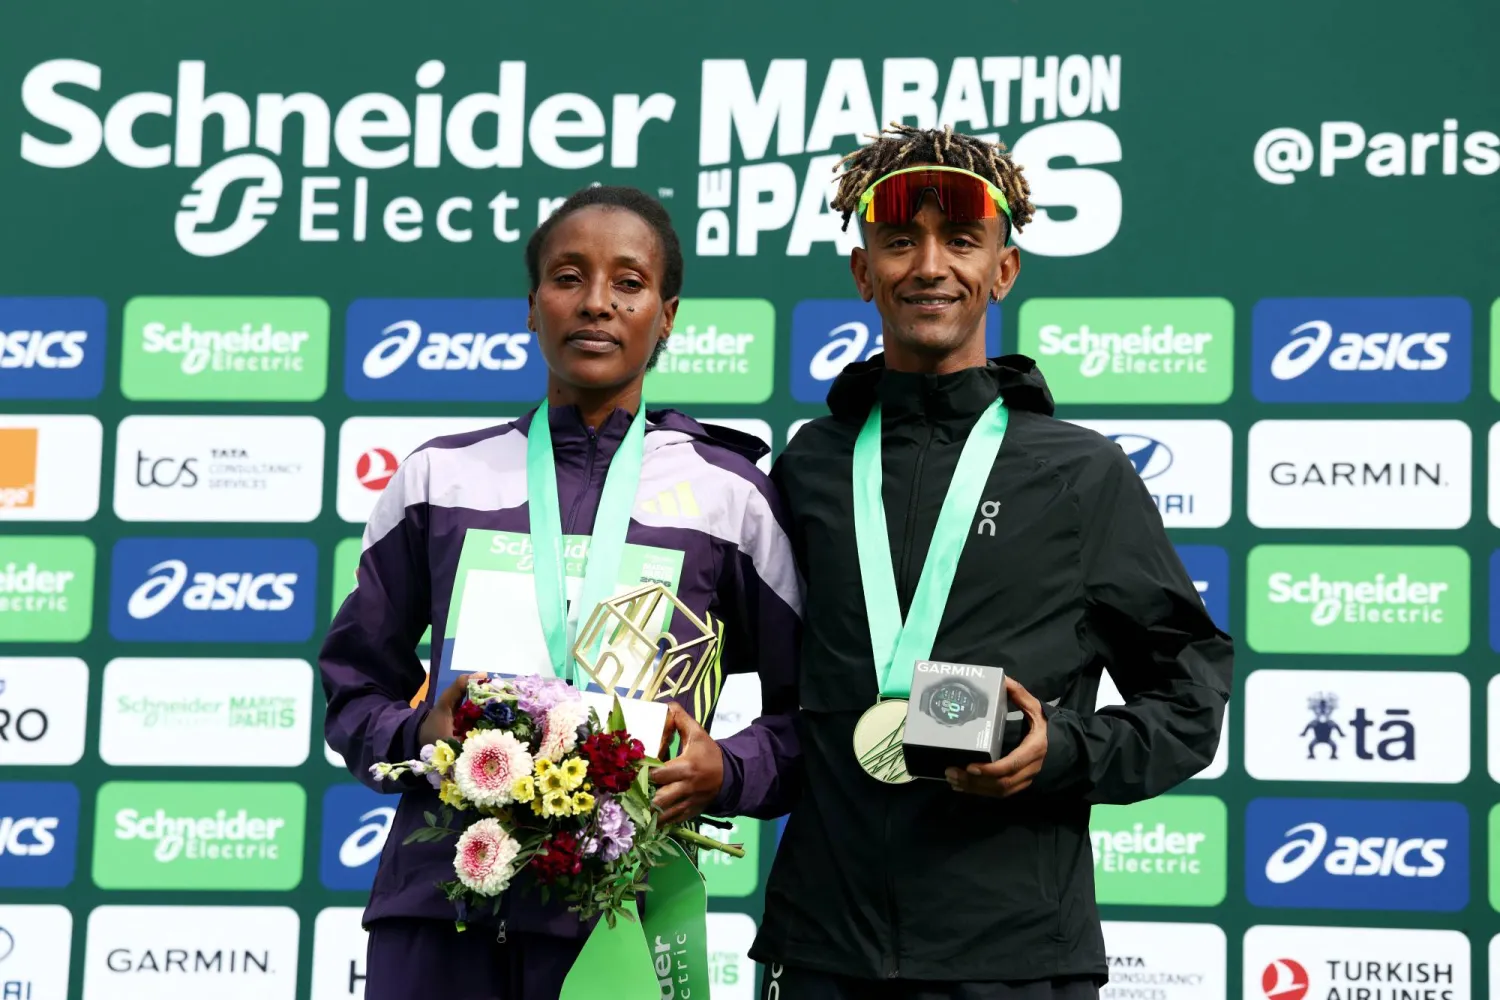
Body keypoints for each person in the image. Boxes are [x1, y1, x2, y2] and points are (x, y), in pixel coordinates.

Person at [753, 124, 1234, 999]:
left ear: (1003, 270)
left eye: (961, 240)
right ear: (863, 273)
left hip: (1014, 962)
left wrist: (1060, 750)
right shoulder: (810, 467)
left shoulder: (1078, 473)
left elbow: (1191, 695)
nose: (929, 266)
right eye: (899, 241)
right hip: (824, 951)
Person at [319, 185, 803, 1000]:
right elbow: (351, 685)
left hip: (621, 908)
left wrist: (727, 768)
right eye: (568, 277)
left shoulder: (731, 497)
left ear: (668, 313)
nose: (597, 305)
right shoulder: (442, 477)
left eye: (629, 282)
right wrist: (415, 732)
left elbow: (811, 712)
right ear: (532, 306)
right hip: (440, 902)